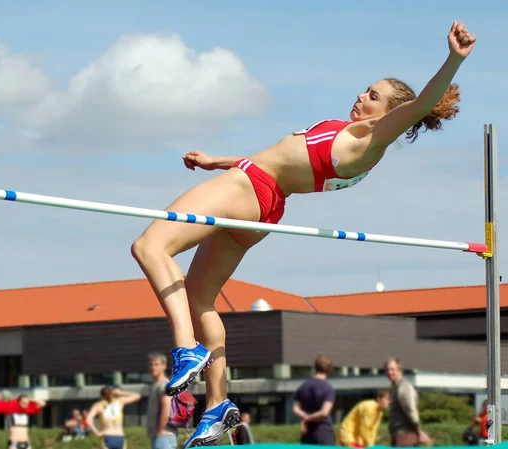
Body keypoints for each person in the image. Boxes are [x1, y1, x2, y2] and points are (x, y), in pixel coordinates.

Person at [130, 20, 476, 448]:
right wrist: (217, 160)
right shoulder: (354, 139)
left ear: (389, 114)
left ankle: (186, 349)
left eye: (373, 96)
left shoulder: (371, 138)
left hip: (248, 188)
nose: (361, 96)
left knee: (149, 246)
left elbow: (422, 103)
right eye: (365, 89)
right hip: (263, 202)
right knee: (201, 298)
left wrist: (453, 60)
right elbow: (281, 162)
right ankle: (217, 403)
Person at [385, 357, 433, 447]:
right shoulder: (396, 388)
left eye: (392, 369)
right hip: (400, 436)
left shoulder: (404, 386)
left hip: (405, 437)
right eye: (387, 370)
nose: (389, 372)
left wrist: (418, 431)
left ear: (400, 371)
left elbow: (410, 410)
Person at [292, 354, 336, 445]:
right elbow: (324, 413)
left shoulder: (303, 386)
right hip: (323, 433)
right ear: (329, 370)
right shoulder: (328, 388)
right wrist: (309, 418)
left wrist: (305, 418)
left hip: (306, 434)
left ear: (315, 368)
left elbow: (296, 409)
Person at [146, 352, 178, 449]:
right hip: (161, 435)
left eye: (156, 364)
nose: (153, 367)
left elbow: (166, 411)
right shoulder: (156, 384)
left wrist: (159, 433)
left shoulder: (164, 385)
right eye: (151, 365)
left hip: (164, 435)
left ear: (164, 366)